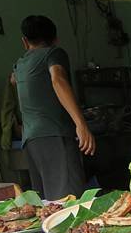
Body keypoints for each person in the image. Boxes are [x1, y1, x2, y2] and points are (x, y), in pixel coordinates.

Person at [12, 15, 95, 200]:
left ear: (25, 41)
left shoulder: (20, 64)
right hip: (55, 135)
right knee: (68, 200)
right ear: (55, 39)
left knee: (48, 202)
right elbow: (57, 78)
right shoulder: (53, 53)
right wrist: (81, 124)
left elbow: (13, 81)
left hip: (31, 141)